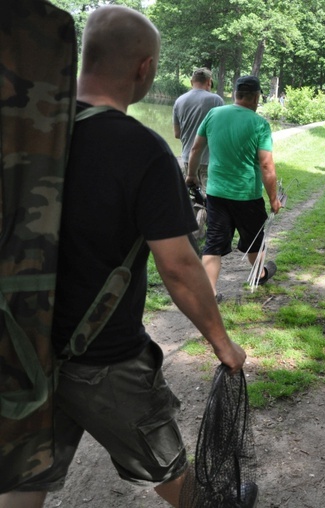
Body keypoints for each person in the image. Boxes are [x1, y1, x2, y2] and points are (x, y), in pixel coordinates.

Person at [0, 6, 246, 508]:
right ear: (144, 68)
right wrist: (222, 343)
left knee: (25, 477)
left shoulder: (33, 133)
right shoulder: (143, 151)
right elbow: (177, 267)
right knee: (171, 468)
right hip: (103, 359)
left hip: (25, 344)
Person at [187, 75, 282, 301]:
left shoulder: (214, 114)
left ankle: (208, 292)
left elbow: (195, 149)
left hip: (216, 193)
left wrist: (191, 175)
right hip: (246, 195)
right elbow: (266, 165)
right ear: (256, 96)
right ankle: (259, 274)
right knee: (254, 241)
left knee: (214, 243)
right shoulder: (260, 124)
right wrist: (273, 198)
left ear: (236, 94)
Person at [172, 67, 223, 190]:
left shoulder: (179, 101)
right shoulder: (216, 100)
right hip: (209, 161)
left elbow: (177, 134)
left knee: (190, 203)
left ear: (191, 82)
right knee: (209, 202)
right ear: (209, 81)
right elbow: (221, 133)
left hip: (187, 160)